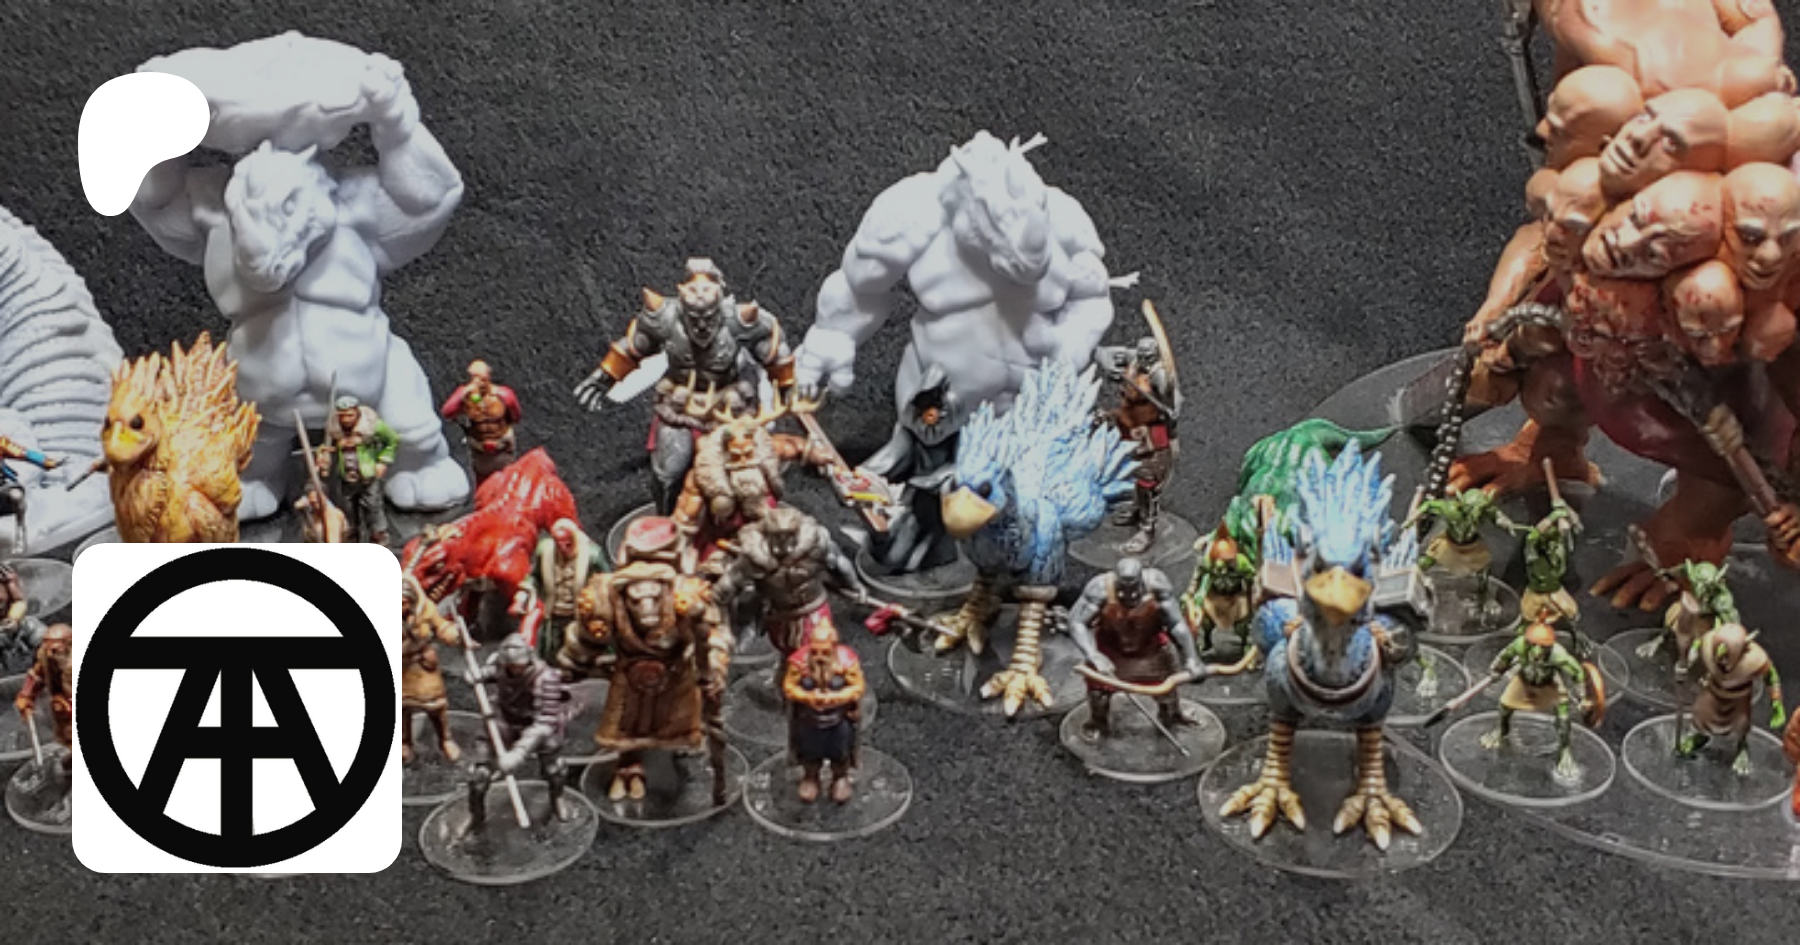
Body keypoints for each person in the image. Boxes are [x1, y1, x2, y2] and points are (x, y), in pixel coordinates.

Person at [316, 395, 399, 544]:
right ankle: (351, 531)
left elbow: (392, 440)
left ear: (357, 412)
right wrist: (324, 454)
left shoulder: (372, 426)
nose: (346, 419)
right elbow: (327, 446)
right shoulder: (334, 428)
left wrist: (382, 461)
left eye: (350, 415)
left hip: (367, 474)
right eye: (342, 416)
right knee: (347, 507)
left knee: (373, 506)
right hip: (346, 474)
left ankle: (378, 534)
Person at [439, 359, 522, 485]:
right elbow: (447, 412)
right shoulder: (468, 397)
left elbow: (516, 416)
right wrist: (464, 392)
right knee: (483, 481)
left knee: (507, 480)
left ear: (488, 375)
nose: (479, 381)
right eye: (475, 377)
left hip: (502, 444)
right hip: (479, 446)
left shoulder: (503, 395)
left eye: (482, 377)